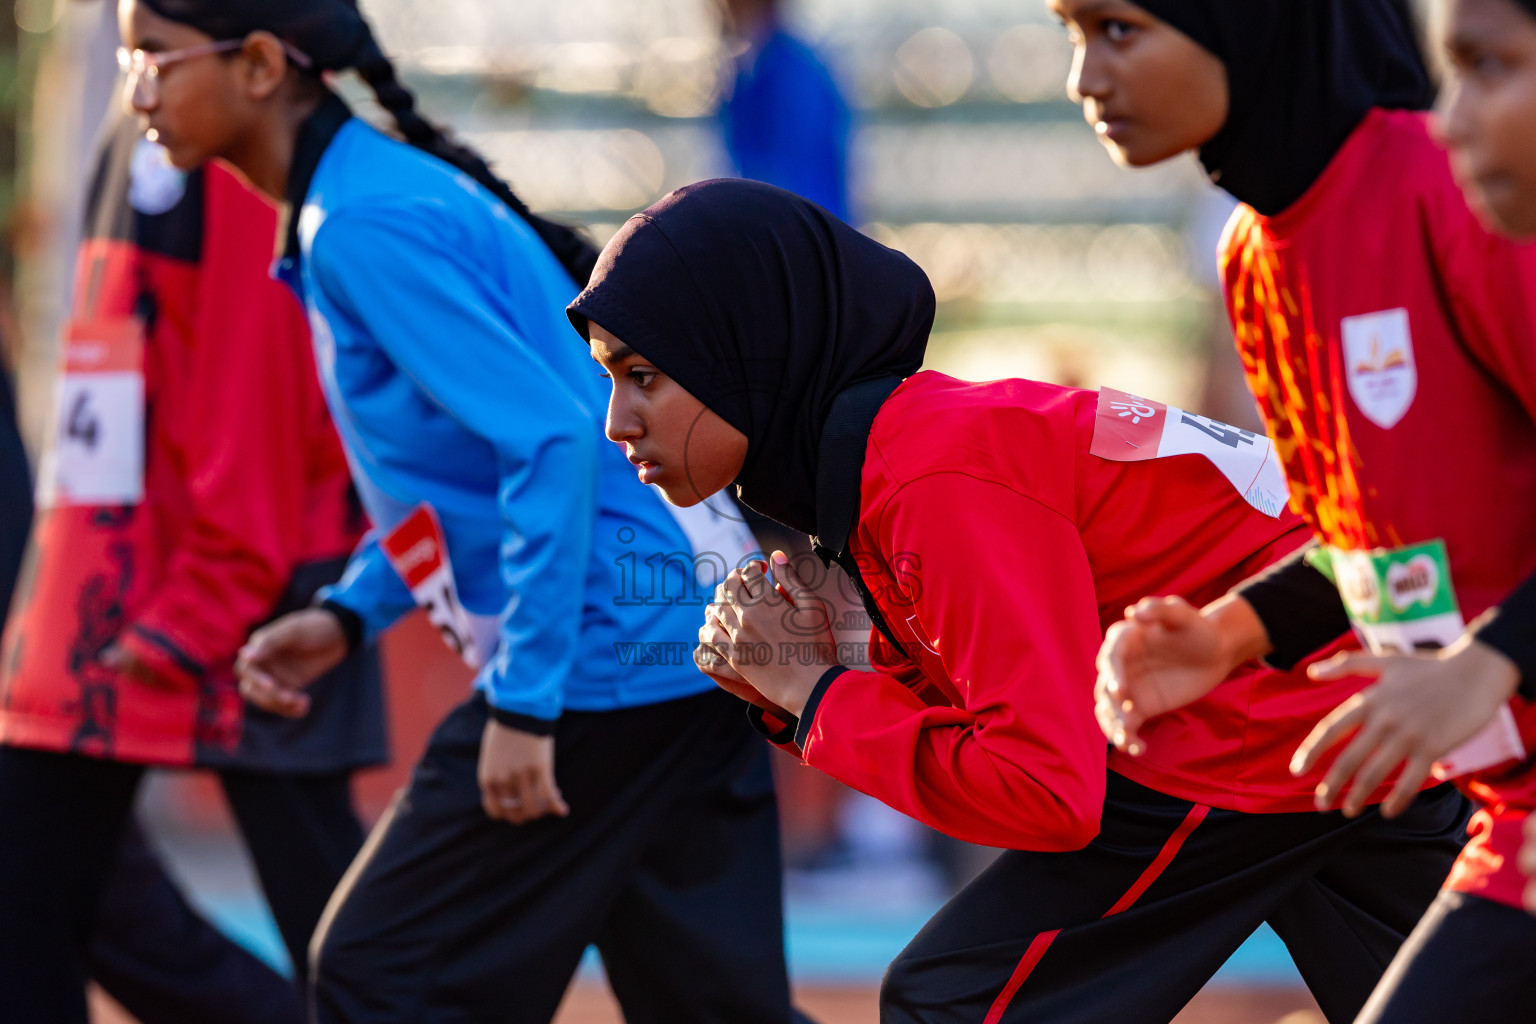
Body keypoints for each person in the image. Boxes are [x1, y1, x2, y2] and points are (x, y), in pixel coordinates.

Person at [572, 177, 1468, 1024]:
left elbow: (1048, 789)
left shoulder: (929, 476)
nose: (618, 421)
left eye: (643, 374)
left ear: (746, 352)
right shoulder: (896, 457)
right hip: (1350, 674)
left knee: (959, 1001)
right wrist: (809, 684)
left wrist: (816, 699)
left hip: (1265, 693)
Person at [115, 2, 805, 1021]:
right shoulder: (363, 201)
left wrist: (525, 704)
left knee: (381, 972)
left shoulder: (360, 223)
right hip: (683, 632)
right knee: (709, 1005)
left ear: (260, 64)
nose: (138, 92)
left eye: (157, 59)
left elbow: (550, 442)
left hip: (599, 661)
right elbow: (471, 480)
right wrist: (352, 612)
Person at [1060, 0, 1536, 1017]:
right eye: (1071, 34)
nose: (1086, 78)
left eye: (1117, 29)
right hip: (1515, 821)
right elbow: (1379, 543)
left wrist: (1489, 660)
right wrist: (1230, 632)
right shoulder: (1254, 259)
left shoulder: (1451, 189)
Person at [0, 86, 386, 1023]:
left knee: (350, 946)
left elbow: (263, 399)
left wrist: (206, 602)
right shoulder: (140, 112)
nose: (143, 75)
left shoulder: (246, 145)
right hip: (121, 604)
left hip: (252, 605)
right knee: (31, 900)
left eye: (160, 53)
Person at [715, 0, 852, 221]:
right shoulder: (750, 71)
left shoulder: (793, 75)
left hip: (800, 231)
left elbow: (798, 177)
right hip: (788, 228)